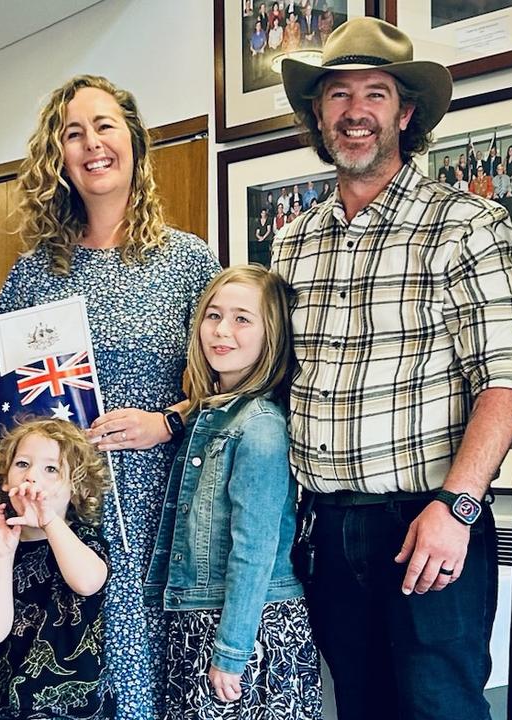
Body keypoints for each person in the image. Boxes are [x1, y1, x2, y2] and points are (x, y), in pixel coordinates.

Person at [275, 18, 512, 718]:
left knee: (438, 706)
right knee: (358, 706)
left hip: (428, 516)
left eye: (375, 93)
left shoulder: (466, 224)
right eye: (337, 95)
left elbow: (503, 381)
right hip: (324, 527)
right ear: (318, 113)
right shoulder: (293, 242)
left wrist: (457, 507)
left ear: (405, 112)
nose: (354, 112)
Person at [0, 74, 220, 719]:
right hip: (48, 513)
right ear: (59, 156)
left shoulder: (188, 261)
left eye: (105, 126)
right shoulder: (34, 270)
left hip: (151, 505)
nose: (92, 144)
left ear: (133, 139)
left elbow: (233, 387)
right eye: (74, 133)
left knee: (138, 681)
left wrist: (166, 421)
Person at [145, 265, 322, 718]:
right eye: (213, 315)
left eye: (243, 319)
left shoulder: (259, 425)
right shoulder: (208, 415)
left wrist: (231, 651)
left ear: (272, 336)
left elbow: (254, 551)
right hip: (198, 619)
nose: (221, 331)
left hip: (248, 628)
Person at [0, 419, 114, 719]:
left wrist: (49, 522)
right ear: (6, 481)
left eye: (51, 469)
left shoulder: (83, 540)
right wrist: (1, 555)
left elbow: (88, 582)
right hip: (12, 707)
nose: (32, 476)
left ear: (76, 487)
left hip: (79, 709)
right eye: (22, 464)